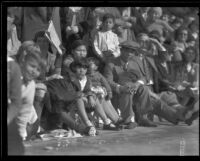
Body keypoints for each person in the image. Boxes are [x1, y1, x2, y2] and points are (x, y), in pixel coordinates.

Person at [103, 40, 191, 127]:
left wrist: (137, 84)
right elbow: (108, 81)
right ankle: (131, 120)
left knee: (155, 101)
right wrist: (120, 88)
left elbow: (142, 78)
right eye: (127, 51)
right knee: (143, 95)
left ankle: (181, 117)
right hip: (120, 95)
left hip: (137, 95)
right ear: (121, 50)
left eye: (132, 52)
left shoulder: (134, 63)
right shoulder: (111, 64)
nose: (129, 54)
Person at [69, 59, 120, 135]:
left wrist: (90, 96)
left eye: (84, 68)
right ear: (74, 69)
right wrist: (83, 97)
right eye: (79, 68)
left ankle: (106, 122)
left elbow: (88, 90)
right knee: (79, 100)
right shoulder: (71, 79)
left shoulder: (86, 79)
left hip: (84, 100)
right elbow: (71, 92)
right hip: (72, 102)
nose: (82, 70)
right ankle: (88, 124)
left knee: (94, 97)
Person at [15, 41, 45, 141]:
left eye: (38, 70)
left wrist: (21, 135)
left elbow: (25, 110)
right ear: (23, 60)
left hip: (28, 121)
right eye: (32, 66)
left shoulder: (31, 85)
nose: (34, 71)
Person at [87, 57, 123, 127]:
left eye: (90, 65)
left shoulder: (99, 75)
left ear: (96, 67)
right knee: (104, 101)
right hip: (93, 95)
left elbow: (106, 83)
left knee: (108, 103)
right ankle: (115, 120)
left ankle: (117, 118)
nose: (88, 66)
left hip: (101, 93)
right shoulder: (86, 76)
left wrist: (109, 92)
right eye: (86, 65)